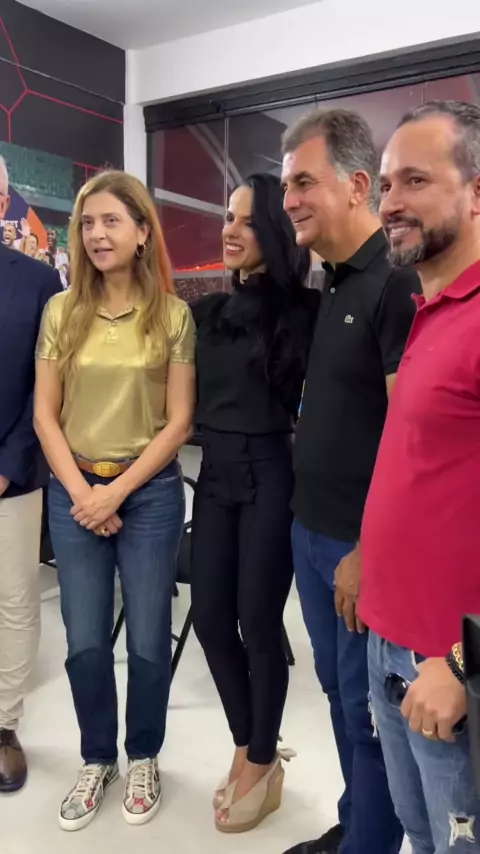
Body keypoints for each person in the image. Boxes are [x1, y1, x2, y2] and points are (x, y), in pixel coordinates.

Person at [34, 171, 195, 831]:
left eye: (111, 221)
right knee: (84, 640)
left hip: (149, 493)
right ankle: (97, 756)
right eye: (87, 223)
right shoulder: (61, 311)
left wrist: (117, 493)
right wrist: (83, 494)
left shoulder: (172, 315)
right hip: (75, 492)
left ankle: (144, 754)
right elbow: (45, 416)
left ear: (142, 232)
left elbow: (179, 422)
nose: (97, 235)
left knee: (150, 638)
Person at [280, 109, 421, 854]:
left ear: (357, 184)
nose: (290, 200)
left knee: (368, 715)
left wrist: (369, 551)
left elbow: (408, 436)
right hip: (311, 530)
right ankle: (357, 823)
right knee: (339, 699)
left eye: (303, 182)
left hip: (354, 547)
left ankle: (369, 841)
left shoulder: (394, 284)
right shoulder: (334, 283)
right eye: (286, 187)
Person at [360, 99, 480, 854]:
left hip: (452, 669)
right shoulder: (432, 310)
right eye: (384, 185)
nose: (390, 203)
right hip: (393, 648)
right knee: (420, 837)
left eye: (415, 180)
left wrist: (465, 664)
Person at [190, 173, 318, 833]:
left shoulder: (308, 311)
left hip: (272, 471)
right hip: (214, 473)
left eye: (245, 219)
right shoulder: (206, 313)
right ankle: (248, 745)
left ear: (273, 228)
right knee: (211, 618)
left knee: (258, 623)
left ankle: (261, 760)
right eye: (226, 217)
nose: (230, 230)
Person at [0, 243, 61, 793]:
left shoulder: (38, 283)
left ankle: (3, 724)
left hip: (9, 475)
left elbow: (44, 387)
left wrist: (8, 465)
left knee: (13, 600)